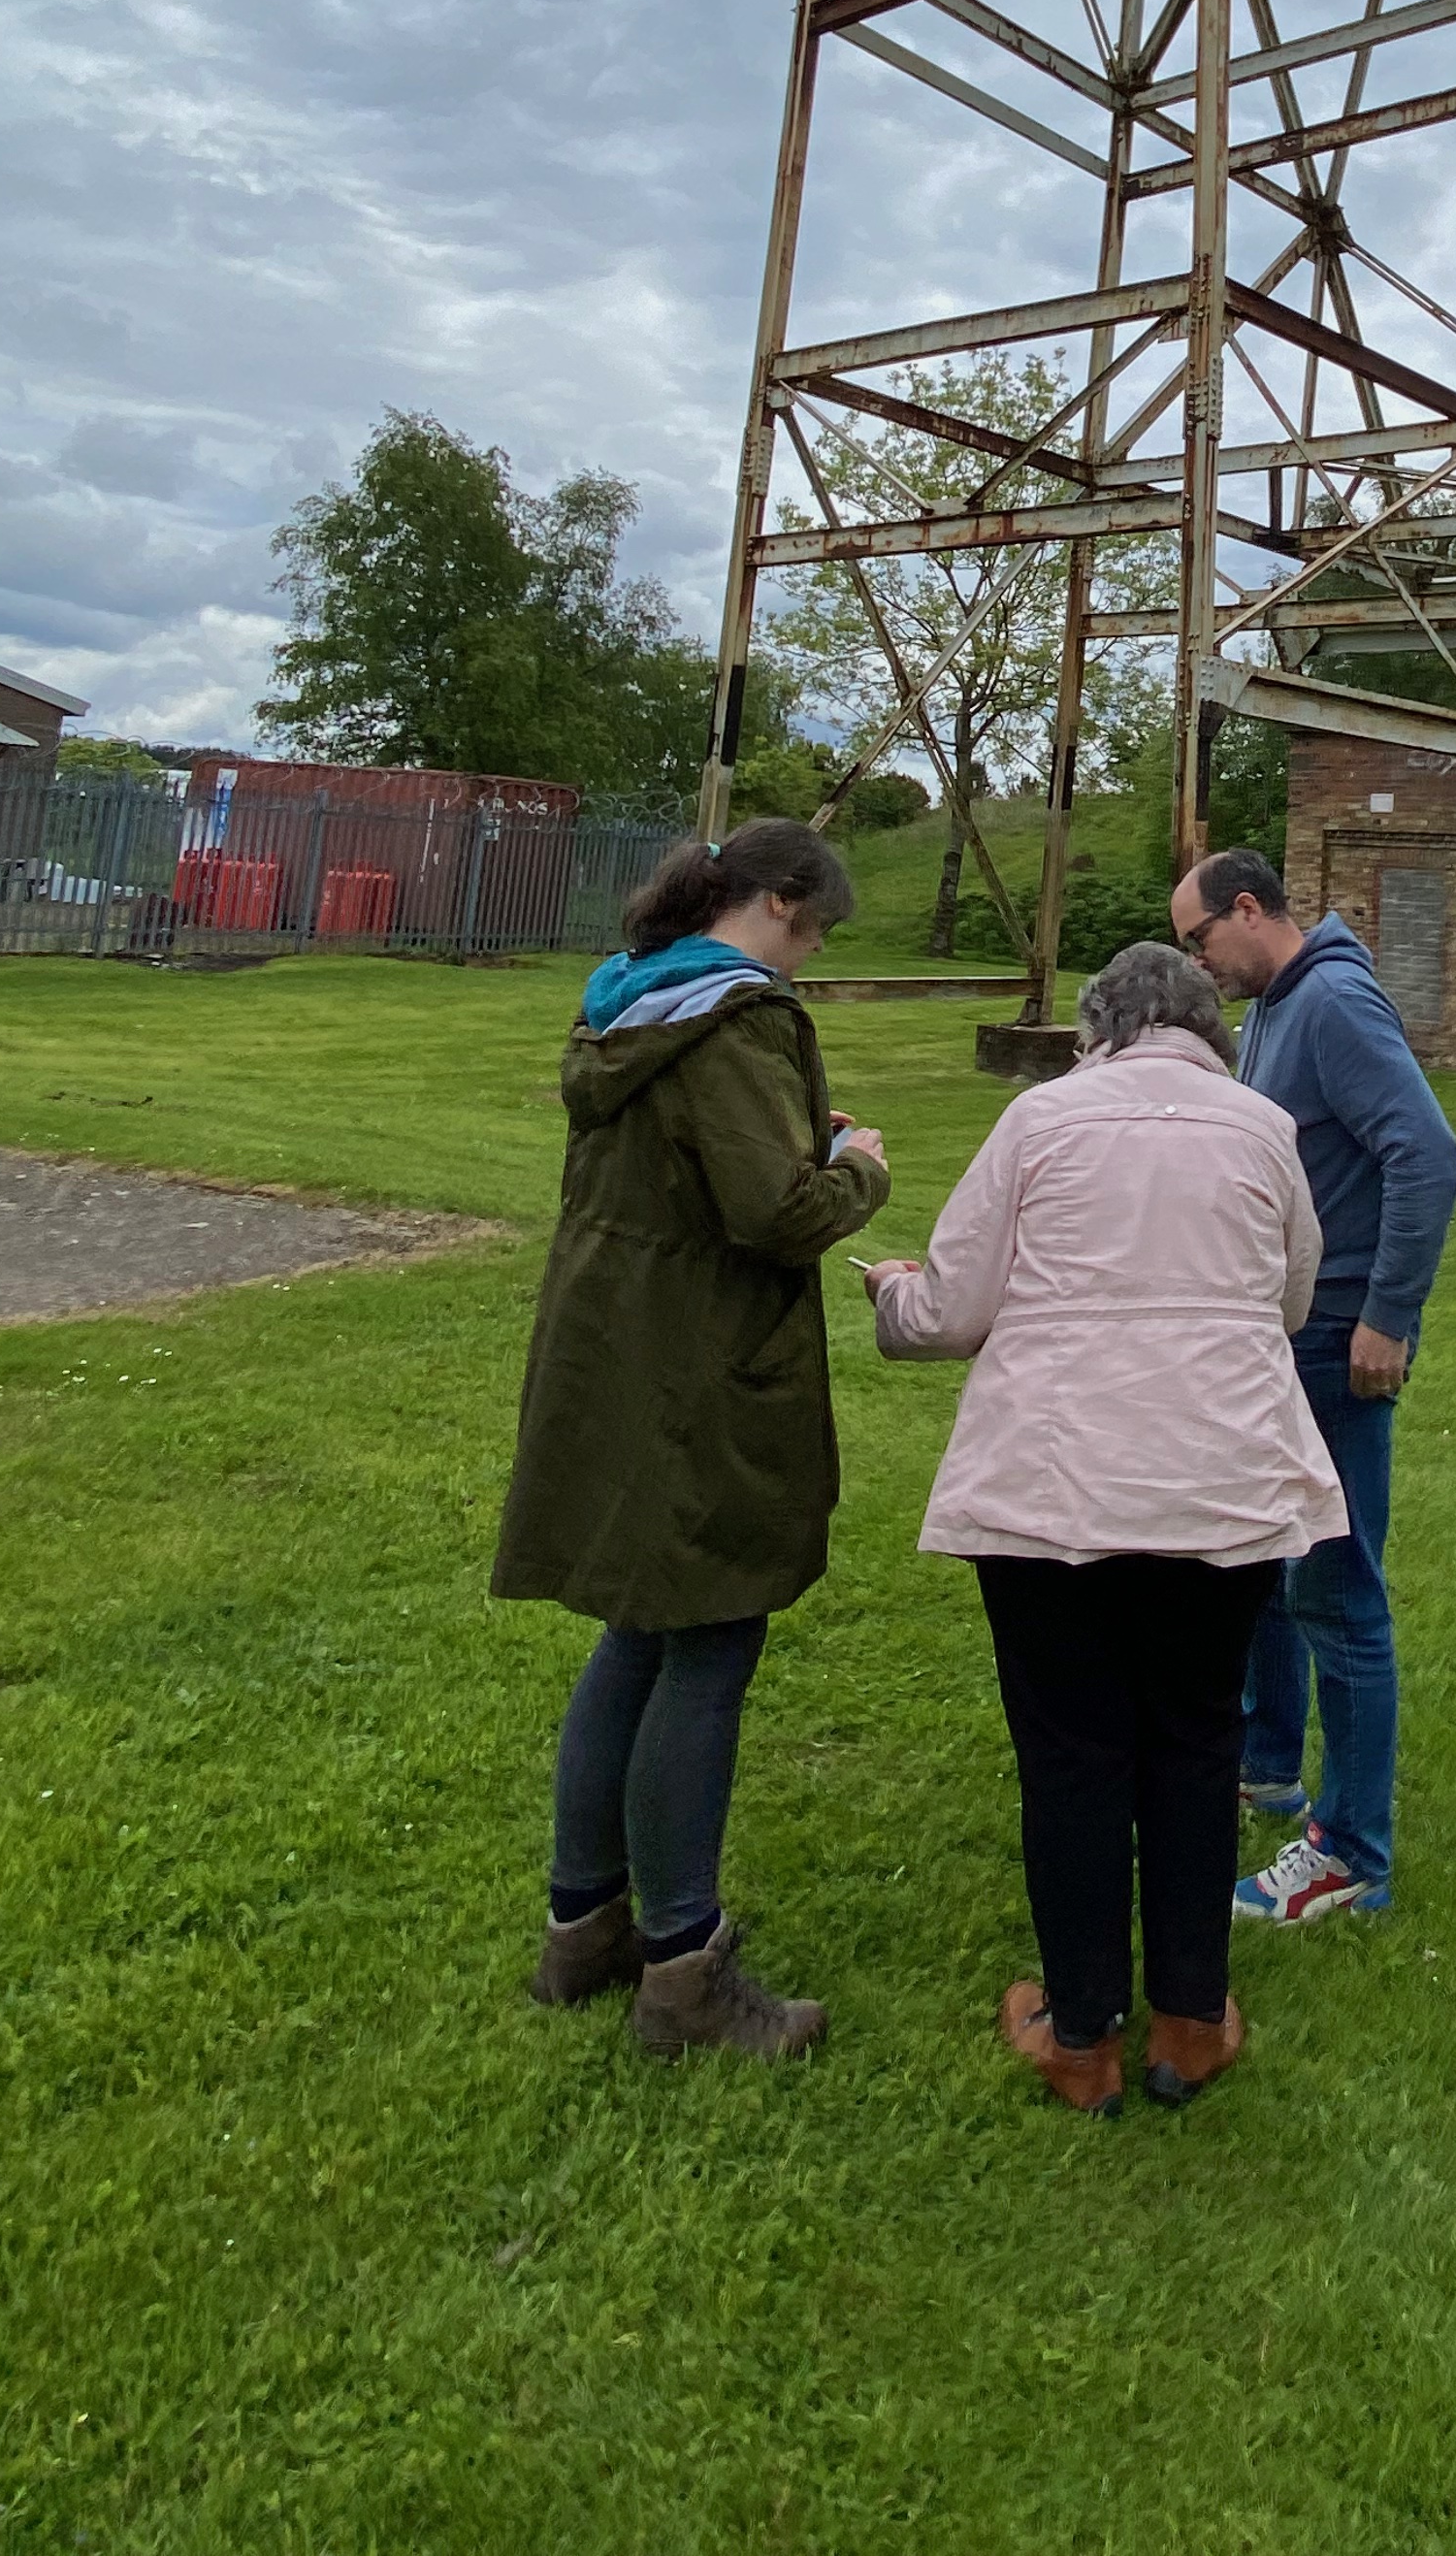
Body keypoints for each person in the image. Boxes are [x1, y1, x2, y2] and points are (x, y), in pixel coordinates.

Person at [867, 942, 1343, 2116]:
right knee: (1195, 1739)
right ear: (1204, 1029)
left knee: (1072, 1753)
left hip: (1054, 1484)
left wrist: (890, 1292)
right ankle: (1189, 2019)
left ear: (1100, 1029)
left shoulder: (1041, 1118)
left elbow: (950, 1311)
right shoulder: (1261, 1127)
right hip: (1220, 1483)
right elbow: (1290, 1300)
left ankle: (1082, 2034)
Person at [492, 816, 889, 2060]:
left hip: (612, 1357)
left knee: (635, 1634)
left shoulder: (630, 1003)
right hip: (695, 1373)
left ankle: (585, 1928)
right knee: (706, 1644)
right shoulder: (738, 1018)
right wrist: (856, 1167)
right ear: (776, 903)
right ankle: (683, 1969)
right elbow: (771, 1211)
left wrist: (797, 1145)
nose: (807, 960)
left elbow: (694, 1172)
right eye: (812, 932)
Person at [1165, 846, 1456, 1927]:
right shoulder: (1278, 1007)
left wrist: (1388, 1315)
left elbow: (1426, 1154)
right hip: (1284, 1333)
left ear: (1250, 910)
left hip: (1339, 1337)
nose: (1202, 965)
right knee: (1271, 1559)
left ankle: (1351, 1850)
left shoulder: (1330, 1000)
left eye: (1202, 939)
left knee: (1336, 1589)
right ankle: (1267, 1764)